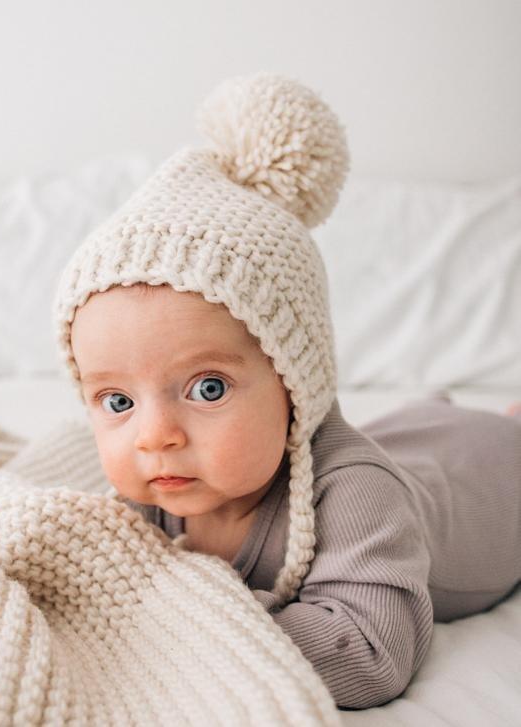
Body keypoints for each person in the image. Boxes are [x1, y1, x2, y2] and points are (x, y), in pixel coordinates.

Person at [50, 72, 521, 710]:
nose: (154, 434)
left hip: (492, 472)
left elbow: (370, 653)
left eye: (207, 387)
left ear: (296, 384)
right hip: (413, 440)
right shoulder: (156, 486)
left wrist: (184, 635)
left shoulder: (354, 495)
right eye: (117, 402)